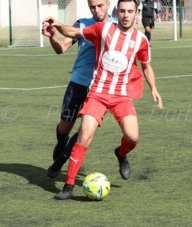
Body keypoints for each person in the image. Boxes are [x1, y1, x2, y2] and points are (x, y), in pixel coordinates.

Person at [42, 0, 163, 200]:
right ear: (118, 11)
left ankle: (121, 154)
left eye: (130, 11)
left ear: (136, 14)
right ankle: (68, 186)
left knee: (132, 138)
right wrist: (56, 25)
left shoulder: (141, 40)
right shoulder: (102, 29)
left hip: (121, 96)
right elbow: (73, 33)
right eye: (122, 11)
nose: (126, 15)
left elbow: (146, 66)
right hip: (95, 91)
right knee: (82, 136)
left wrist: (154, 88)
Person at [41, 0, 113, 170]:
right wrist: (52, 36)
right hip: (78, 83)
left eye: (100, 6)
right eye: (92, 7)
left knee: (85, 128)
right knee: (65, 127)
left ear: (108, 4)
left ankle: (60, 162)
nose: (96, 10)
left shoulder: (117, 27)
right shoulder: (82, 24)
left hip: (100, 88)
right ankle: (61, 141)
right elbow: (61, 48)